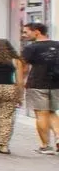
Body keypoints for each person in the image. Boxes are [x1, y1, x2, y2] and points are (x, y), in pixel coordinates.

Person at [20, 22, 59, 154]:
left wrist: (20, 82)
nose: (24, 35)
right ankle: (58, 137)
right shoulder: (57, 45)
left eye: (26, 32)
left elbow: (23, 68)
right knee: (52, 112)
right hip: (56, 84)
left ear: (37, 32)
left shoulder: (31, 48)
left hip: (37, 83)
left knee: (41, 114)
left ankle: (45, 145)